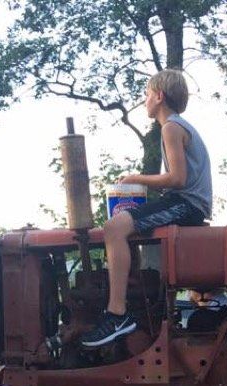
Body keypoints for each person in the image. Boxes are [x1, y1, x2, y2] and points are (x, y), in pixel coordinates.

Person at [80, 69, 212, 348]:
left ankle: (117, 314)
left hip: (188, 203)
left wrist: (135, 178)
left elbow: (178, 179)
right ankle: (135, 299)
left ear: (159, 96)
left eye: (147, 94)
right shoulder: (177, 126)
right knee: (125, 227)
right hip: (184, 201)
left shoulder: (171, 127)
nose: (144, 100)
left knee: (114, 228)